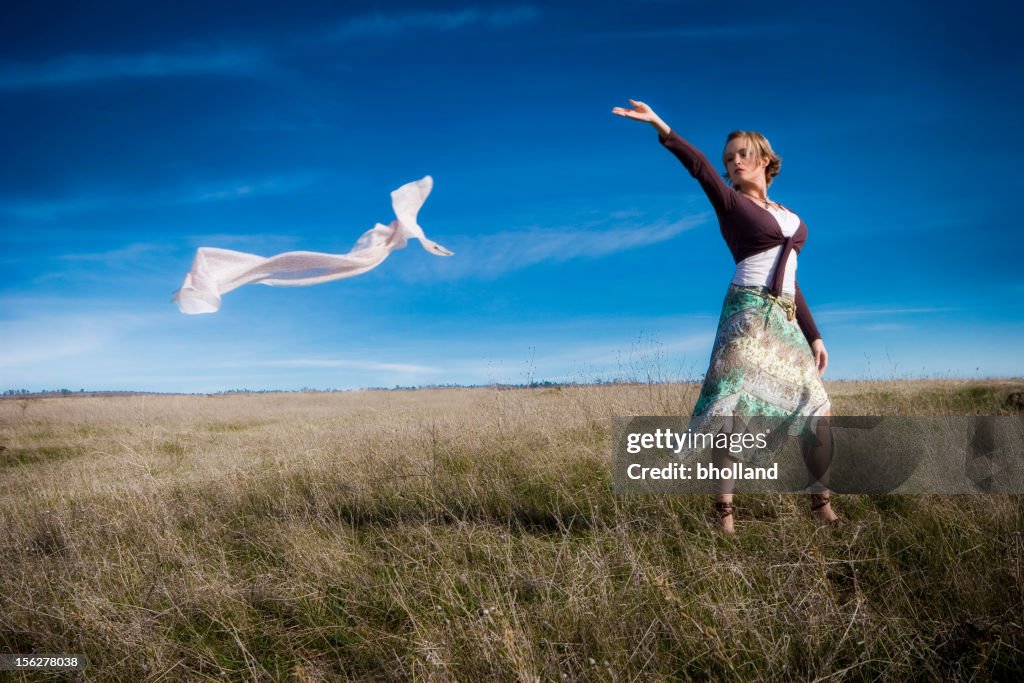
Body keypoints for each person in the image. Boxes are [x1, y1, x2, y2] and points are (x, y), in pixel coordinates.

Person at [612, 99, 839, 533]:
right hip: (746, 314)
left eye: (742, 155)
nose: (733, 162)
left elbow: (792, 279)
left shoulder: (788, 214)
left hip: (785, 320)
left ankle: (822, 506)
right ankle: (724, 516)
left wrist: (814, 336)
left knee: (819, 409)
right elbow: (698, 167)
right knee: (729, 412)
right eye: (728, 158)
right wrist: (662, 126)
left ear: (765, 159)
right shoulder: (732, 203)